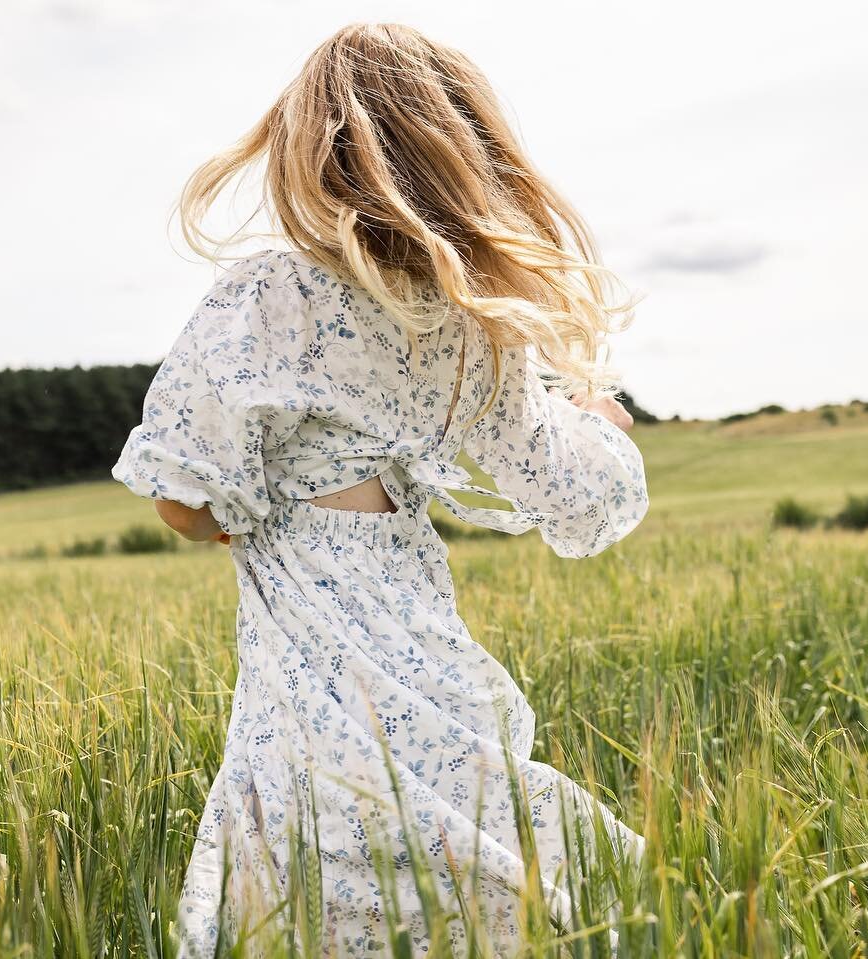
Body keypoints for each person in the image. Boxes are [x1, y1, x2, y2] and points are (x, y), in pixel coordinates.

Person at [112, 22, 649, 957]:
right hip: (428, 656)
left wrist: (254, 509)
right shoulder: (471, 326)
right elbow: (580, 501)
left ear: (307, 155)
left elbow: (183, 500)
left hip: (307, 671)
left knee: (307, 870)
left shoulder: (269, 298)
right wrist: (596, 420)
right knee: (470, 857)